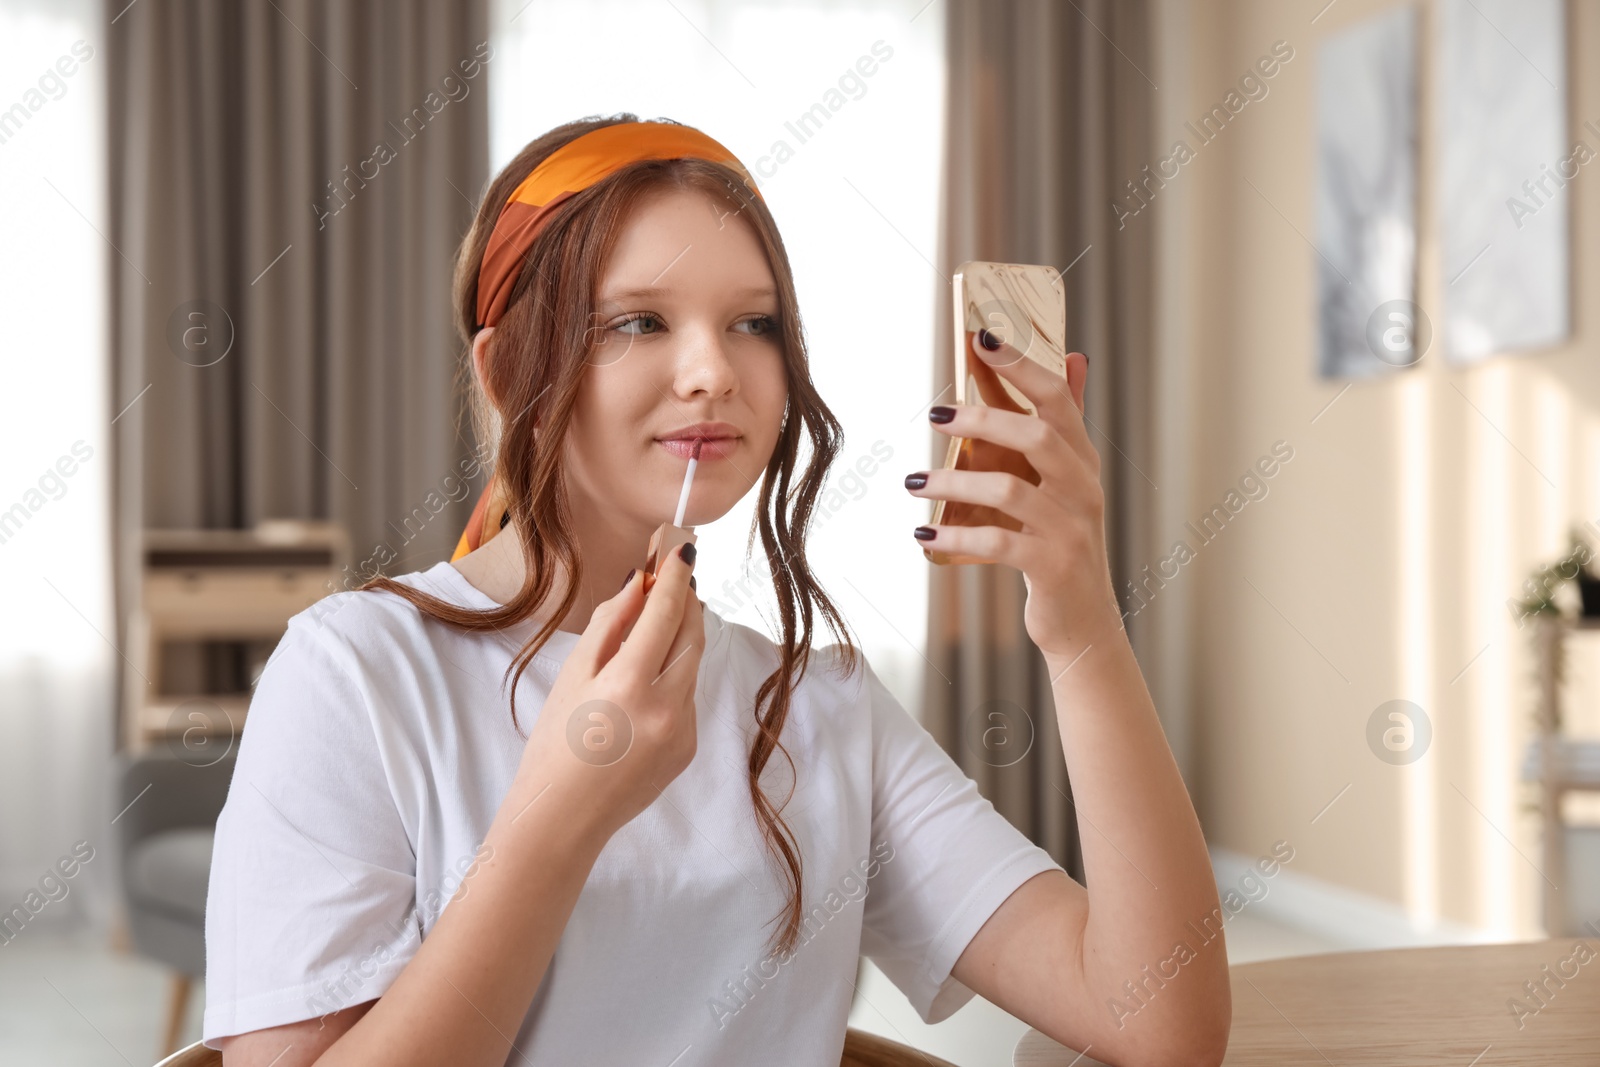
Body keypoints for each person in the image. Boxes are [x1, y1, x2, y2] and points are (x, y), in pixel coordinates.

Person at [203, 115, 1229, 1067]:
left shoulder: (821, 704)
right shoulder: (354, 671)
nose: (714, 372)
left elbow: (1160, 1020)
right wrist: (561, 810)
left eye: (755, 323)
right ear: (507, 370)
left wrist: (1080, 622)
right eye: (640, 322)